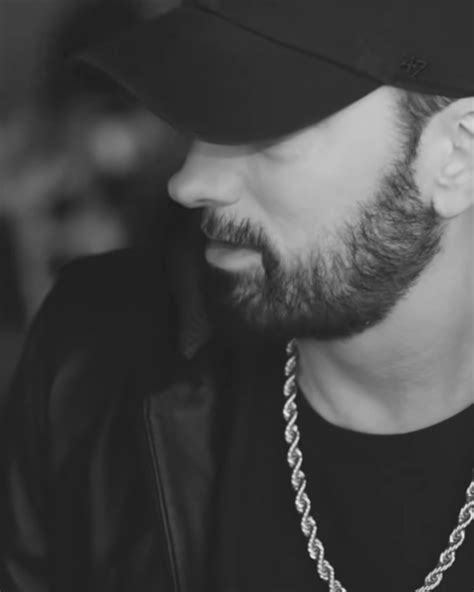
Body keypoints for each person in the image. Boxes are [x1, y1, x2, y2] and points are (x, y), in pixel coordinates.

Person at [1, 0, 473, 591]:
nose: (191, 182)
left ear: (456, 156)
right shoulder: (94, 350)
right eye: (201, 118)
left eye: (266, 126)